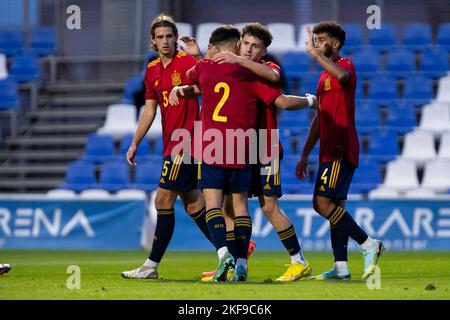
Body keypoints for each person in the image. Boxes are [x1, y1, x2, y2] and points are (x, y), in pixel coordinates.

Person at [170, 25, 317, 282]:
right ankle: (238, 265)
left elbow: (280, 97)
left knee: (268, 207)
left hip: (264, 147)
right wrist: (195, 64)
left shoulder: (264, 71)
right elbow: (207, 80)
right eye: (245, 44)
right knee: (231, 206)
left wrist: (312, 101)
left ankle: (298, 261)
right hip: (243, 147)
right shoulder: (237, 71)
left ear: (264, 51)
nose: (248, 50)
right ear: (239, 43)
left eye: (255, 46)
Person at [121, 14, 213, 280]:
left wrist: (198, 57)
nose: (165, 41)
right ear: (152, 40)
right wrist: (135, 142)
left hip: (187, 142)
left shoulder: (186, 62)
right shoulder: (151, 70)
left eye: (169, 36)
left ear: (176, 38)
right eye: (160, 37)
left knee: (162, 199)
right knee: (194, 204)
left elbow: (210, 85)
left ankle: (150, 266)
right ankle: (230, 252)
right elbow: (150, 109)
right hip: (170, 142)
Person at [297, 21, 384, 280]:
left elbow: (344, 78)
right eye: (315, 39)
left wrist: (313, 55)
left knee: (321, 203)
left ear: (334, 43)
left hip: (340, 145)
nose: (315, 43)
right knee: (336, 206)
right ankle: (341, 267)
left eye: (320, 39)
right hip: (327, 147)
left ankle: (369, 244)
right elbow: (318, 117)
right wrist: (304, 153)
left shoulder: (345, 66)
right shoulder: (323, 76)